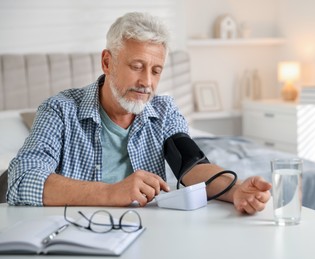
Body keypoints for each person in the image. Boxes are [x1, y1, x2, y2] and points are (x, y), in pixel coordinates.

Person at [7, 12, 271, 215]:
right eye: (136, 66)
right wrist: (112, 193)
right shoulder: (59, 110)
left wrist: (235, 191)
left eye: (156, 71)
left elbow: (192, 165)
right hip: (72, 234)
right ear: (107, 62)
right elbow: (21, 180)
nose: (147, 81)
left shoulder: (164, 111)